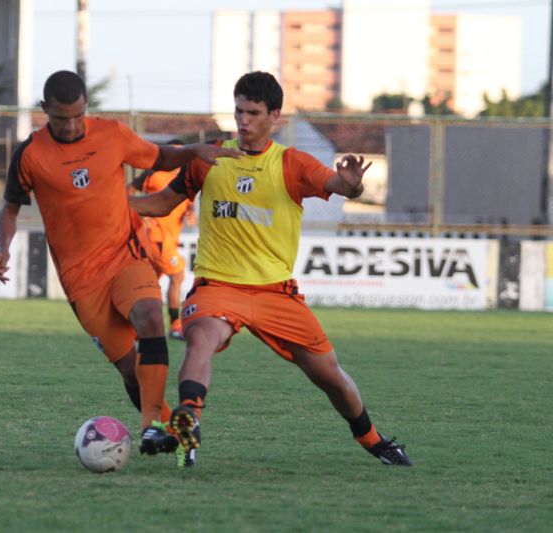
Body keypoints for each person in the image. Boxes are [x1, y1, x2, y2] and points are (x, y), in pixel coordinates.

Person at [129, 71, 412, 468]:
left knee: (330, 376)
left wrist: (352, 186)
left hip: (276, 293)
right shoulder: (209, 158)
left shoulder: (291, 164)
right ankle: (187, 422)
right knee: (200, 339)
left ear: (274, 116)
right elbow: (161, 204)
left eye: (253, 112)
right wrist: (114, 208)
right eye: (239, 111)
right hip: (218, 285)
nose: (243, 120)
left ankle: (373, 439)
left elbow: (339, 184)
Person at [0, 70, 242, 457]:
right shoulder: (30, 154)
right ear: (45, 111)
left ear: (86, 105)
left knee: (150, 317)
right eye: (61, 118)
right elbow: (8, 211)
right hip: (80, 279)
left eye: (78, 115)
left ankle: (149, 429)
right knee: (129, 369)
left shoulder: (112, 134)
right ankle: (172, 430)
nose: (72, 125)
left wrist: (193, 150)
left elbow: (159, 156)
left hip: (126, 253)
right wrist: (3, 247)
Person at [126, 139, 195, 341]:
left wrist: (190, 213)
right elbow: (128, 190)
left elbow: (189, 203)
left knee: (147, 285)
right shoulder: (154, 174)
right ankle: (175, 325)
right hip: (157, 237)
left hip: (170, 239)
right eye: (175, 153)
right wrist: (139, 214)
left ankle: (129, 327)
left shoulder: (187, 177)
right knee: (177, 275)